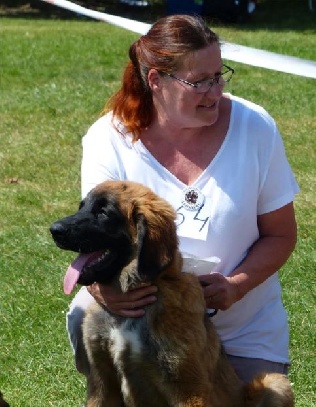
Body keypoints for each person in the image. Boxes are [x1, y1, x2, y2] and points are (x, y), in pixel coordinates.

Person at [65, 14, 299, 388]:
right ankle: (115, 399)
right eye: (199, 82)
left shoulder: (255, 126)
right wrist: (102, 290)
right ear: (156, 80)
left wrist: (235, 285)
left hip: (239, 325)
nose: (215, 91)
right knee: (85, 315)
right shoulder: (109, 138)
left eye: (219, 76)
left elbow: (281, 235)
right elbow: (96, 234)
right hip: (142, 314)